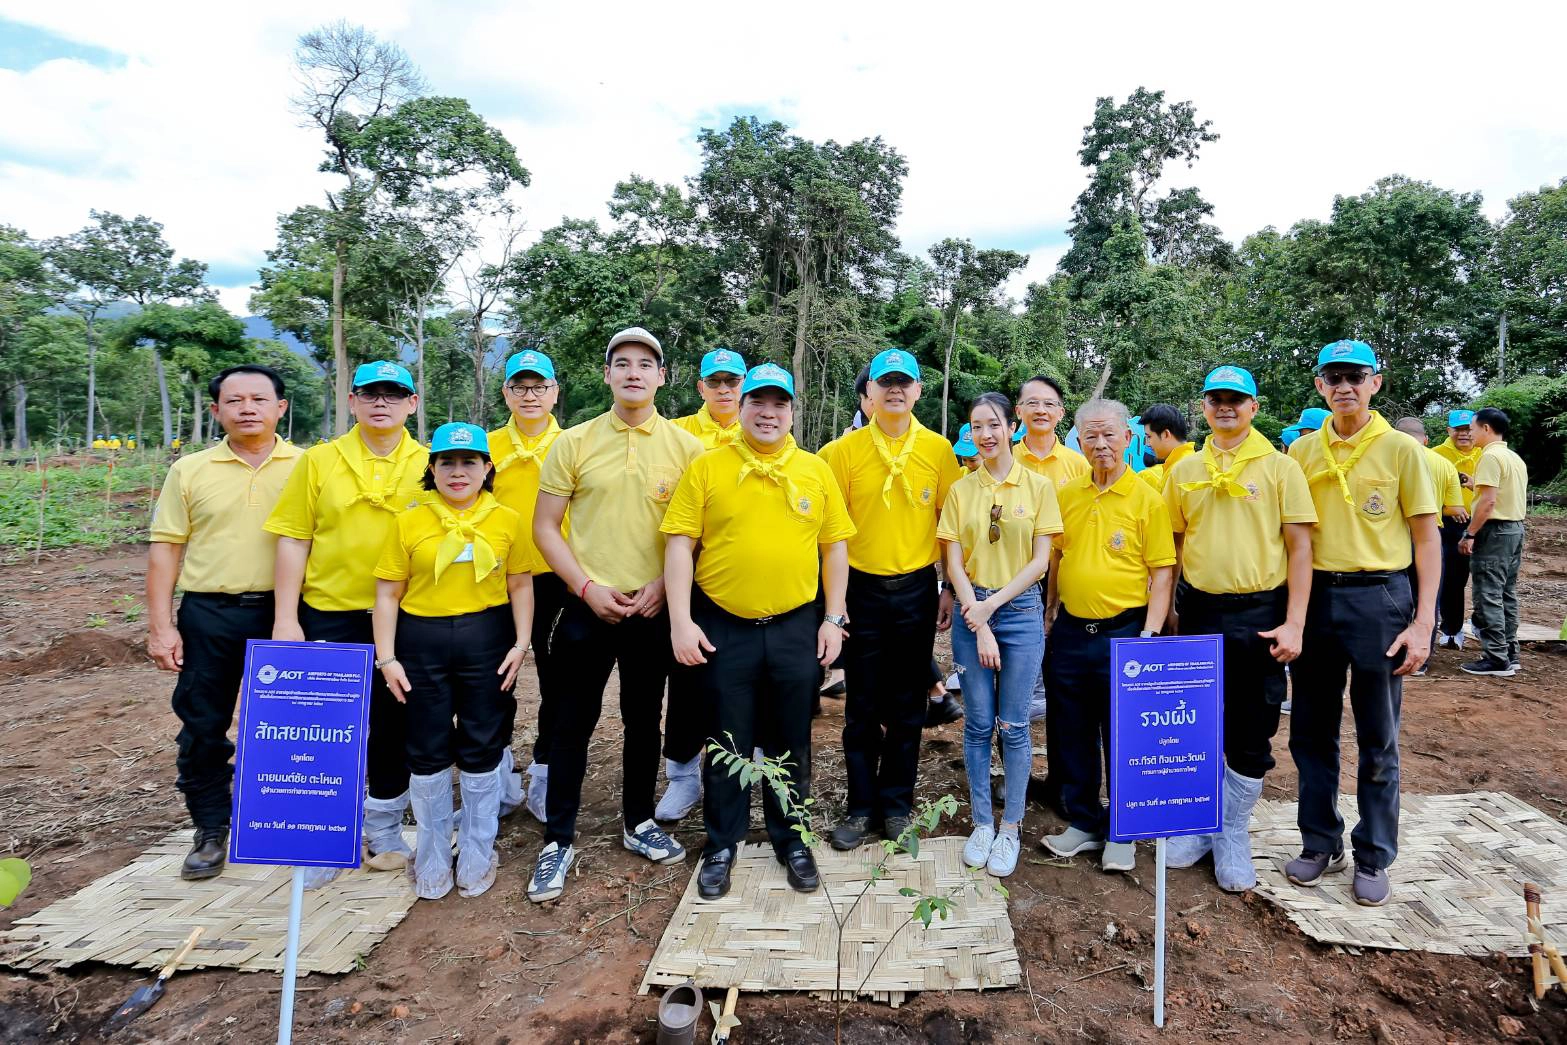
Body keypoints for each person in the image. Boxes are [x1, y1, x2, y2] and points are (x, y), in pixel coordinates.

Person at [662, 363, 854, 899]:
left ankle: (791, 838)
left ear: (793, 411)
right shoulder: (707, 467)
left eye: (780, 404)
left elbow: (835, 547)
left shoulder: (815, 471)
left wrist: (834, 618)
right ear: (740, 407)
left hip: (795, 625)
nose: (768, 413)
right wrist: (681, 619)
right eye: (757, 403)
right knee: (728, 739)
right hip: (725, 625)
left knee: (790, 739)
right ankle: (721, 843)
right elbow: (680, 544)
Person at [528, 327, 703, 902]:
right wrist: (583, 587)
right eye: (621, 363)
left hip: (651, 608)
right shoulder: (573, 442)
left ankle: (638, 821)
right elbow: (545, 527)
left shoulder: (687, 449)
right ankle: (558, 837)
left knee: (641, 719)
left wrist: (661, 586)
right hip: (589, 606)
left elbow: (699, 534)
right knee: (570, 724)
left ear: (662, 377)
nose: (633, 372)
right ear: (606, 375)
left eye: (645, 364)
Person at [1285, 339, 1437, 907]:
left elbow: (1427, 539)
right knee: (1310, 732)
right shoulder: (1302, 453)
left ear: (1376, 382)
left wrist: (1424, 623)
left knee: (1378, 736)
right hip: (1318, 598)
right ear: (1320, 386)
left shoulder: (1401, 450)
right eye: (1333, 377)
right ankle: (1320, 841)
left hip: (1381, 599)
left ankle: (1374, 852)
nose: (1344, 386)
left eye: (1356, 376)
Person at [266, 360, 428, 873]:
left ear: (412, 404)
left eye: (394, 393)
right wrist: (286, 618)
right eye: (370, 394)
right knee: (324, 726)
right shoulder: (320, 461)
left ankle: (383, 828)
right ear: (352, 402)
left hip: (404, 617)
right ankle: (323, 835)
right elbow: (295, 537)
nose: (382, 402)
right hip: (329, 612)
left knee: (394, 724)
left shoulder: (431, 462)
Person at [1162, 366, 1315, 891]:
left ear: (1254, 406)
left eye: (1237, 399)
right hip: (1199, 610)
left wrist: (1295, 622)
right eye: (1216, 398)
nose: (1225, 406)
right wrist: (1170, 613)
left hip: (1261, 613)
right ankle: (1200, 824)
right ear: (1203, 406)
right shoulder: (1184, 470)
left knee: (1253, 726)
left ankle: (1232, 830)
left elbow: (1300, 548)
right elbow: (1174, 546)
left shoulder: (1279, 467)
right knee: (1198, 723)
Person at [147, 364, 300, 879]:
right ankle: (212, 828)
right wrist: (161, 626)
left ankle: (288, 824)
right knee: (203, 725)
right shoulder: (190, 471)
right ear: (216, 411)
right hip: (209, 613)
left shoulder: (307, 466)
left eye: (260, 399)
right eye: (235, 401)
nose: (248, 408)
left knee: (291, 725)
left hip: (288, 614)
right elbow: (166, 550)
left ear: (281, 407)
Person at [372, 424, 534, 899]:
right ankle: (434, 850)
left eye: (469, 462)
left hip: (487, 637)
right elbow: (387, 594)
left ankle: (480, 846)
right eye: (447, 462)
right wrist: (388, 659)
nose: (458, 472)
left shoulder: (506, 519)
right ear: (432, 469)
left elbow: (520, 584)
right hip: (421, 640)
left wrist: (521, 643)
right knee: (426, 746)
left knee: (483, 740)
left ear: (487, 468)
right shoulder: (409, 522)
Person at [825, 348, 962, 851]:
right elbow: (830, 535)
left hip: (916, 590)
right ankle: (861, 808)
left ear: (919, 390)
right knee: (860, 706)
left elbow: (950, 526)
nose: (895, 390)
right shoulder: (841, 454)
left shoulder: (939, 450)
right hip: (860, 590)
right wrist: (833, 609)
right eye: (886, 383)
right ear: (869, 395)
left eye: (905, 382)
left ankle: (897, 806)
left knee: (907, 705)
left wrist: (947, 586)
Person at [1041, 399, 1175, 873]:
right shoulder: (1069, 495)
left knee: (1123, 736)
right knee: (1072, 730)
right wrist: (1051, 609)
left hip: (1126, 632)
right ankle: (1083, 820)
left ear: (1128, 439)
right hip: (1072, 632)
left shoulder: (1147, 499)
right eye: (1090, 437)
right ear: (1079, 441)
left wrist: (1150, 632)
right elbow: (1057, 557)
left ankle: (1125, 828)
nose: (1100, 445)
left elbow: (1162, 573)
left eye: (1109, 436)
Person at [938, 392, 1061, 878]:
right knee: (976, 724)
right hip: (974, 611)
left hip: (1019, 610)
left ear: (1011, 427)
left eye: (993, 424)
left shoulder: (1037, 486)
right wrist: (979, 615)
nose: (985, 435)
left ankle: (1010, 828)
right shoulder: (961, 490)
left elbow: (1040, 560)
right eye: (975, 426)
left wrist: (993, 607)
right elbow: (953, 560)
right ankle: (982, 822)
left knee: (1013, 725)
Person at [489, 349, 566, 822]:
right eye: (520, 387)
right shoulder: (487, 446)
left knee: (559, 684)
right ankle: (494, 776)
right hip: (494, 581)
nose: (530, 395)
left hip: (557, 581)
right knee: (494, 681)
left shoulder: (573, 443)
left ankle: (544, 771)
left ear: (555, 392)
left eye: (539, 387)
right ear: (506, 393)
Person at [1014, 375, 1091, 798]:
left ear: (1061, 413)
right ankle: (1017, 776)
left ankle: (1064, 782)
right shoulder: (1005, 461)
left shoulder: (1078, 463)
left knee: (1063, 689)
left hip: (1065, 589)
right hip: (1016, 588)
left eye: (1049, 404)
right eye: (1032, 403)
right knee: (1016, 689)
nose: (1041, 410)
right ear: (1019, 411)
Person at [1394, 416, 1467, 674]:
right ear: (1425, 439)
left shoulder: (1390, 459)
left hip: (1395, 536)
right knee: (1428, 597)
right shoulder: (1444, 464)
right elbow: (1455, 508)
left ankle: (1394, 653)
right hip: (1430, 536)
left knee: (1395, 595)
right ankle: (1422, 659)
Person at [1459, 408, 1529, 677]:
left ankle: (1495, 657)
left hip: (1494, 532)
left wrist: (1471, 533)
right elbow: (1498, 492)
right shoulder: (1512, 457)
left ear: (1486, 429)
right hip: (1514, 529)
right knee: (1506, 593)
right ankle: (1510, 653)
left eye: (1473, 429)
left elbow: (1488, 503)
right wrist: (1473, 485)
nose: (1470, 434)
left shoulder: (1489, 457)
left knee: (1487, 593)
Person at [1431, 410, 1482, 649]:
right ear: (1449, 431)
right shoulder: (1436, 456)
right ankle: (1451, 630)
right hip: (1449, 523)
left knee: (1483, 579)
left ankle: (1482, 626)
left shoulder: (1485, 454)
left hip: (1482, 521)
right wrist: (1448, 509)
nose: (1463, 434)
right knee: (1451, 577)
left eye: (1467, 429)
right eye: (1457, 429)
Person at [672, 348, 746, 449]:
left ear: (746, 386)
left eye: (732, 380)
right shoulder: (674, 431)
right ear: (701, 389)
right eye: (713, 381)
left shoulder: (763, 432)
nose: (723, 390)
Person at [1138, 404, 1194, 491]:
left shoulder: (1178, 471)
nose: (1148, 444)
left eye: (1149, 437)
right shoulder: (1189, 462)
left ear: (1165, 434)